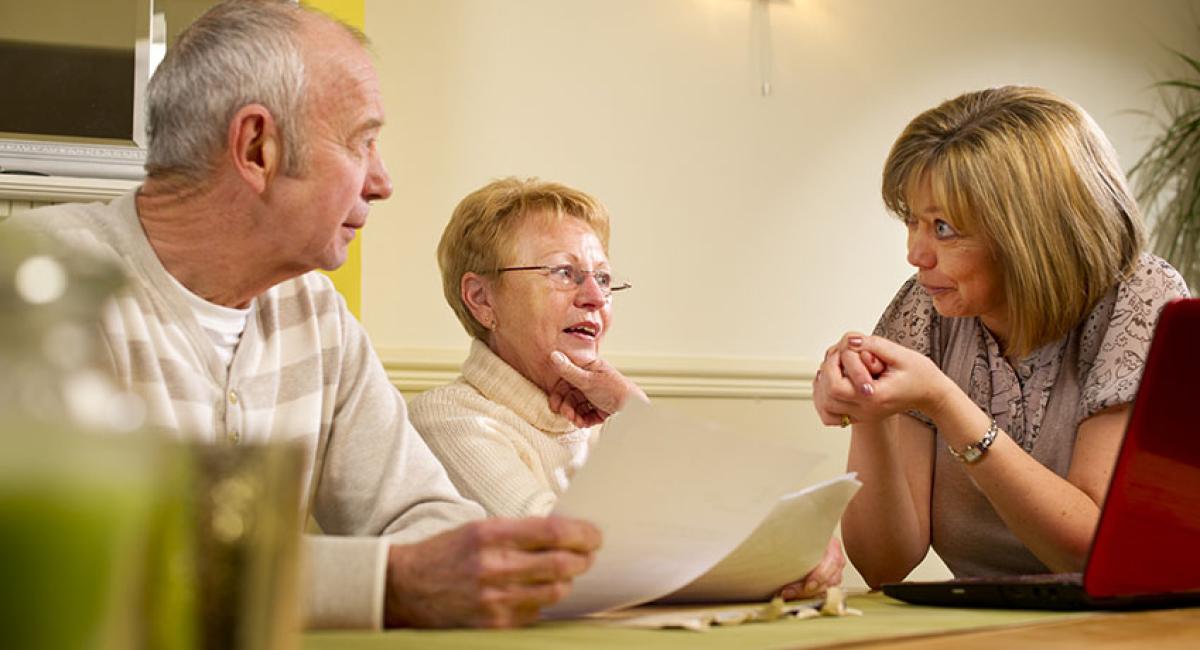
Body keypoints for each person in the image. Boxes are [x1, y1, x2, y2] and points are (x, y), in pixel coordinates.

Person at [4, 0, 599, 630]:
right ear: (257, 147)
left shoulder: (314, 312)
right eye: (362, 141)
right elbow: (79, 564)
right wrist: (387, 582)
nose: (382, 181)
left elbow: (422, 516)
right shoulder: (41, 285)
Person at [815, 86, 1190, 587]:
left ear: (1028, 233)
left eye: (943, 227)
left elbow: (1092, 551)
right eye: (913, 221)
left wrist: (946, 403)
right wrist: (870, 414)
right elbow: (885, 564)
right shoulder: (927, 306)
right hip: (982, 626)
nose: (916, 254)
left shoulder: (1140, 299)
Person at [410, 177, 845, 600]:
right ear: (482, 299)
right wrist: (771, 551)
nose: (595, 298)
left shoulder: (609, 415)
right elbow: (566, 554)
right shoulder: (447, 420)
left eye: (602, 278)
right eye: (564, 272)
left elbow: (698, 523)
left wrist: (792, 538)